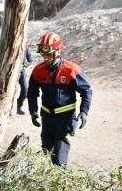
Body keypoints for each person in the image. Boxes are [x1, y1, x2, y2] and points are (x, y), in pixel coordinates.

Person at [27, 31, 92, 167]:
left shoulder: (71, 70)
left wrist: (84, 111)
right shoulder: (38, 70)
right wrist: (33, 112)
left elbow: (86, 90)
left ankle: (60, 183)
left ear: (57, 51)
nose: (45, 58)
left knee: (59, 159)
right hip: (47, 119)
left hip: (66, 119)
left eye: (48, 54)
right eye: (43, 54)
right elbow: (32, 93)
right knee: (46, 154)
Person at [15, 43, 33, 114]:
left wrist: (25, 65)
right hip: (12, 72)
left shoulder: (25, 46)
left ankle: (19, 107)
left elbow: (30, 60)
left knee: (25, 89)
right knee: (12, 90)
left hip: (22, 71)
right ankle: (8, 110)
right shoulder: (13, 44)